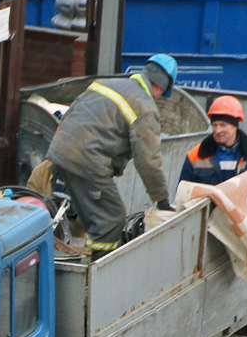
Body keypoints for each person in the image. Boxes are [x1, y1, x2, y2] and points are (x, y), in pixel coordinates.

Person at [43, 54, 178, 257]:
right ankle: (99, 272)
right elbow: (148, 160)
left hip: (61, 152)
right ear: (160, 87)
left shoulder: (105, 84)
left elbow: (71, 112)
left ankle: (87, 257)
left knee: (93, 219)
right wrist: (162, 199)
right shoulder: (144, 107)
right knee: (112, 219)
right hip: (88, 161)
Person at [179, 95, 247, 186]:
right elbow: (184, 195)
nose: (218, 130)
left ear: (235, 126)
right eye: (215, 125)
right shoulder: (194, 156)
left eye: (223, 125)